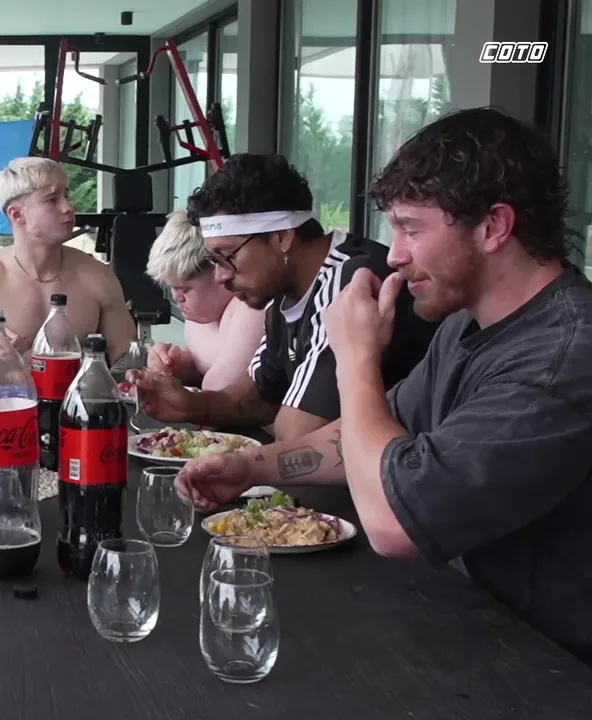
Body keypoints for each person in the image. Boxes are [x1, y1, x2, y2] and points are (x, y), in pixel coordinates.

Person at [176, 107, 592, 664]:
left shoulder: (562, 356)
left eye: (412, 229)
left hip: (552, 667)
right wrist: (251, 468)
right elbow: (358, 440)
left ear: (494, 226)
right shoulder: (467, 326)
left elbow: (394, 527)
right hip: (469, 622)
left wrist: (355, 357)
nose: (395, 254)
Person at [132, 153, 439, 440]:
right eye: (215, 261)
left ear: (282, 237)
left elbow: (297, 433)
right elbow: (258, 396)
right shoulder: (282, 294)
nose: (221, 276)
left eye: (228, 256)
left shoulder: (350, 280)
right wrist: (189, 405)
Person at [0, 157, 136, 371]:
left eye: (66, 196)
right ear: (17, 214)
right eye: (52, 199)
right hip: (2, 391)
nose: (68, 207)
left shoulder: (97, 275)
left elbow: (127, 359)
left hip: (74, 391)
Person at [144, 210, 265, 390]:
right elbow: (205, 363)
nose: (176, 297)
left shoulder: (249, 309)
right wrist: (176, 364)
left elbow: (221, 387)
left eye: (185, 289)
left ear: (220, 271)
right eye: (172, 287)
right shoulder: (200, 315)